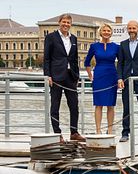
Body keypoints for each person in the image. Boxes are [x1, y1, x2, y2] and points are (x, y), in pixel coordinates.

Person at [43, 13, 85, 141]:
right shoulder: (51, 37)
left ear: (70, 24)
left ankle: (74, 132)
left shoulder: (73, 39)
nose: (66, 24)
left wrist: (76, 75)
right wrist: (47, 75)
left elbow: (74, 58)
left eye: (68, 22)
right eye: (64, 22)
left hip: (70, 76)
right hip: (56, 76)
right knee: (55, 106)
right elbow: (47, 58)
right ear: (59, 22)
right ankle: (57, 133)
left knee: (74, 105)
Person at [84, 24, 119, 134]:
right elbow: (87, 62)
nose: (106, 32)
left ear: (111, 32)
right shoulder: (94, 46)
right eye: (104, 30)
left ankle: (109, 130)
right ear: (100, 32)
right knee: (98, 104)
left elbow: (121, 63)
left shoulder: (116, 47)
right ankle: (98, 130)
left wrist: (120, 77)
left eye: (108, 30)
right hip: (99, 75)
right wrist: (90, 76)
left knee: (110, 104)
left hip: (112, 75)